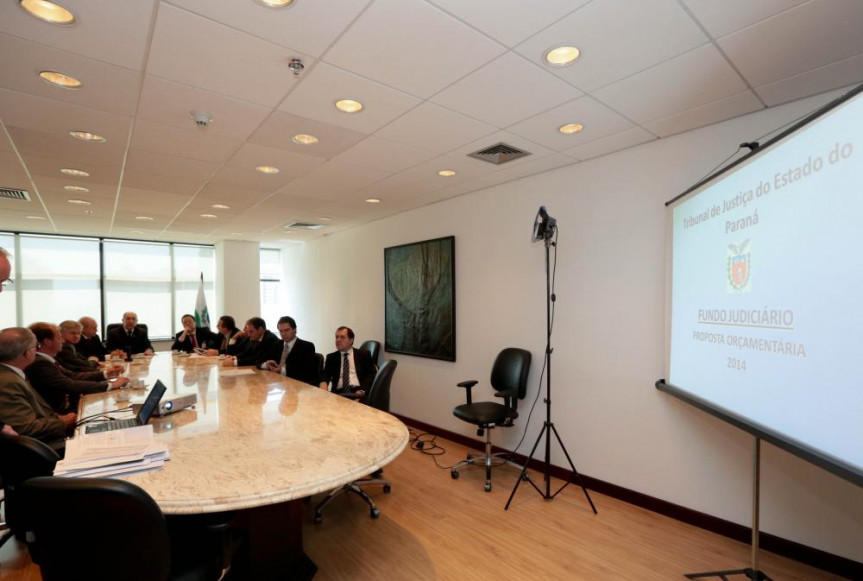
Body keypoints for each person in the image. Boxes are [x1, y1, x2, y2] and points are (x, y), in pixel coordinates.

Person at [0, 327, 76, 454]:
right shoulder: (7, 382)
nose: (37, 350)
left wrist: (58, 418)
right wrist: (62, 422)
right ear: (27, 353)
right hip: (42, 450)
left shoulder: (12, 373)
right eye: (36, 346)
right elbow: (24, 428)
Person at [26, 323, 127, 413]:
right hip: (60, 413)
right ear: (48, 342)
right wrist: (110, 385)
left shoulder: (46, 359)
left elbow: (73, 375)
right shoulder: (39, 363)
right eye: (59, 337)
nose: (62, 340)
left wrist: (105, 374)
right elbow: (69, 384)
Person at [263, 316, 319, 386]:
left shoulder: (307, 346)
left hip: (297, 386)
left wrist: (282, 370)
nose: (283, 334)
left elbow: (306, 372)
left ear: (295, 330)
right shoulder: (276, 345)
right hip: (276, 383)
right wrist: (267, 364)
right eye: (281, 331)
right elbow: (260, 360)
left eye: (286, 330)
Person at [319, 326, 376, 395]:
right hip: (338, 393)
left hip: (358, 391)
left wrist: (362, 390)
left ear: (351, 340)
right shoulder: (331, 357)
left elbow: (371, 375)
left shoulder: (363, 355)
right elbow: (325, 374)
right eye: (337, 337)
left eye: (342, 337)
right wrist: (323, 383)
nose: (338, 340)